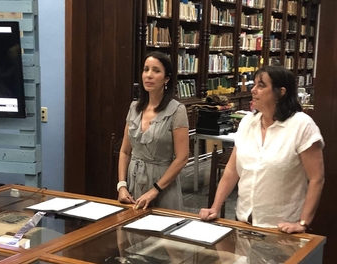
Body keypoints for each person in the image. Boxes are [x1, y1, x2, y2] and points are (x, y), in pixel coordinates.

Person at [198, 66, 325, 234]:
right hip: (243, 222)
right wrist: (215, 207)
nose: (253, 90)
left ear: (280, 92)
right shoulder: (248, 122)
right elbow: (231, 170)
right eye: (255, 84)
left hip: (281, 227)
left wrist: (303, 222)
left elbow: (317, 178)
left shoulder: (302, 125)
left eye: (261, 85)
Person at [117, 52, 189, 211]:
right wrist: (121, 185)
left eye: (156, 71)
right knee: (130, 232)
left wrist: (155, 190)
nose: (149, 75)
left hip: (162, 184)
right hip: (133, 182)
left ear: (167, 78)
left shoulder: (177, 110)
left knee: (161, 233)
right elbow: (125, 151)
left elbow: (182, 157)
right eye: (146, 69)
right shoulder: (134, 108)